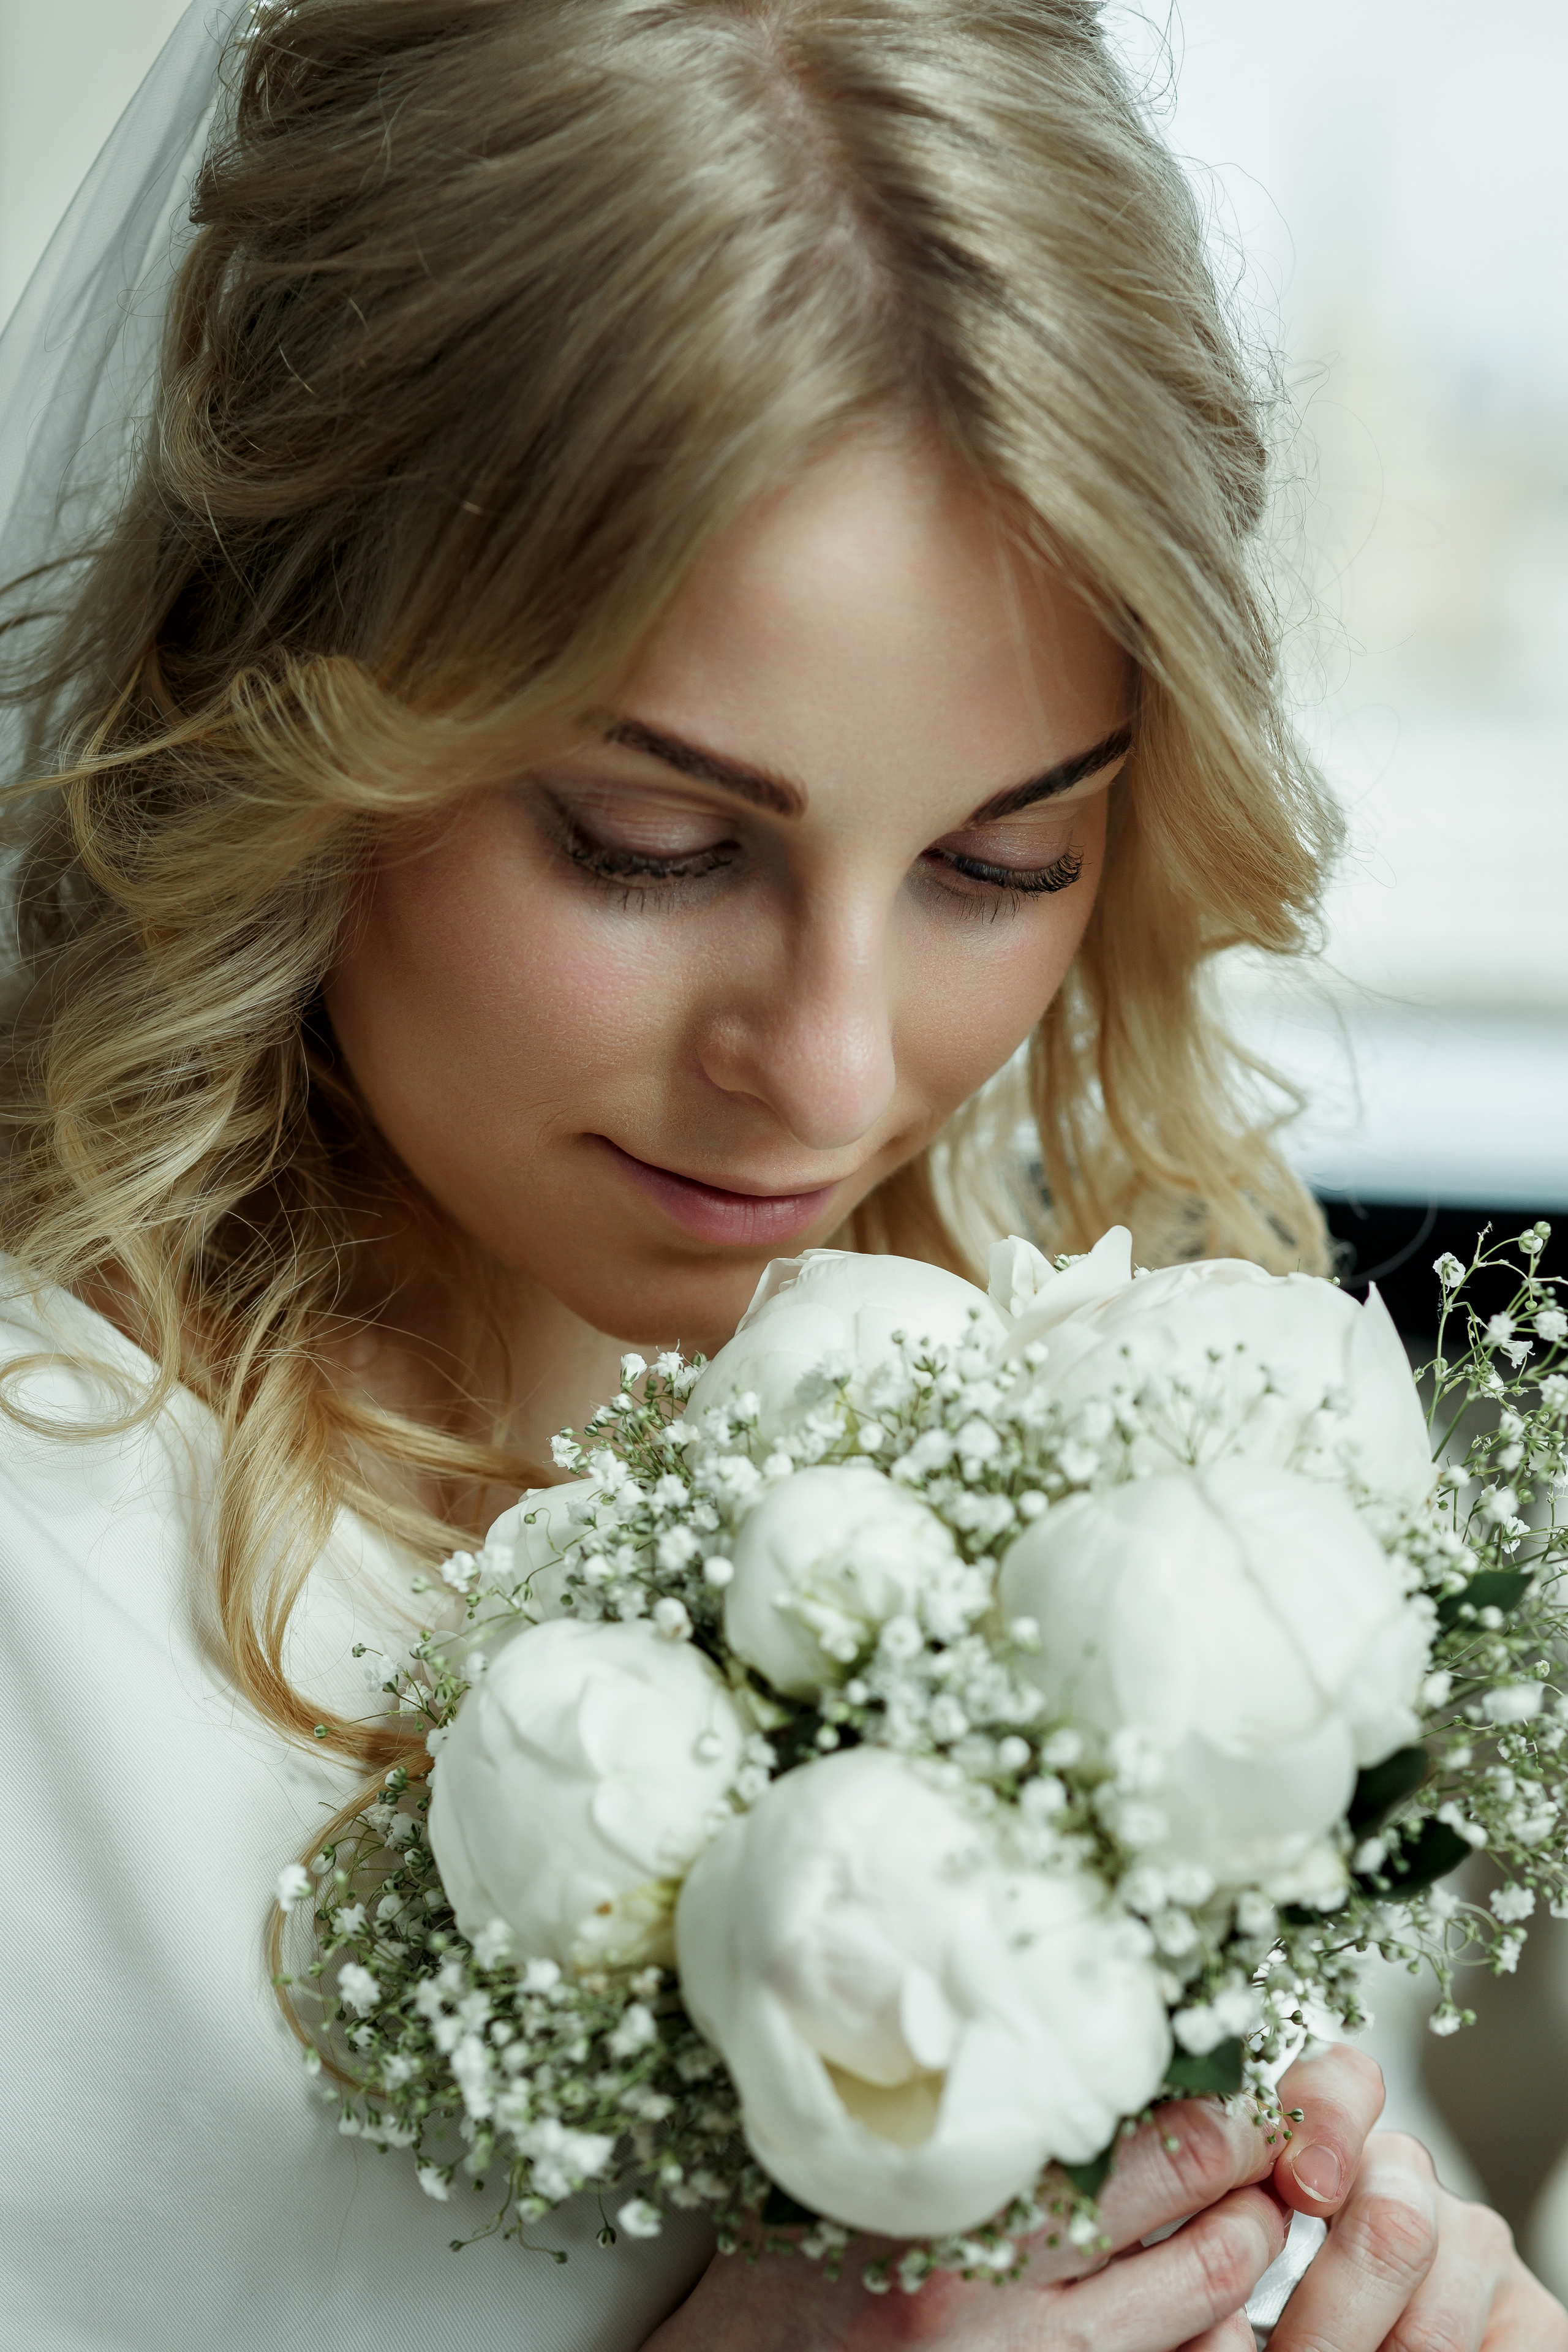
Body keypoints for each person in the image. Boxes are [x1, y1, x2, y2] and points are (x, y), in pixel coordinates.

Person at [0, 2, 1559, 2346]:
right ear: (288, 692)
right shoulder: (52, 1613)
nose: (828, 1075)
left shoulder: (1107, 1501)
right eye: (648, 849)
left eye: (1000, 858)